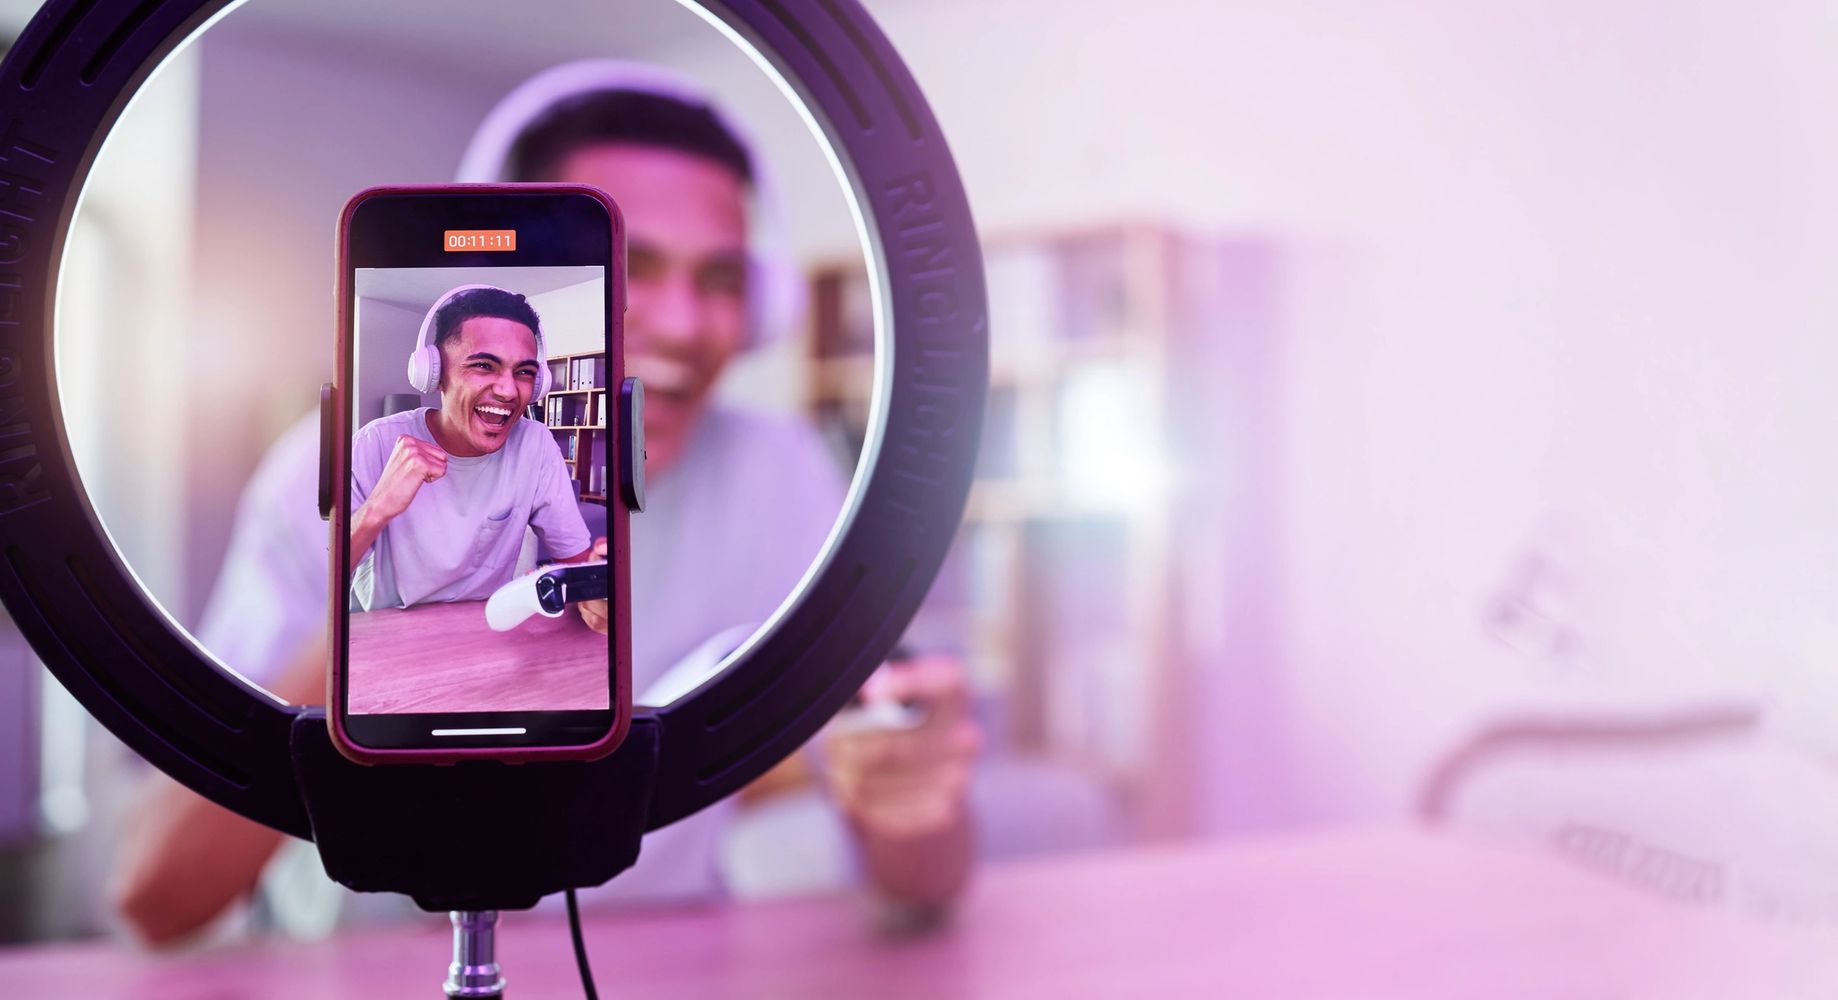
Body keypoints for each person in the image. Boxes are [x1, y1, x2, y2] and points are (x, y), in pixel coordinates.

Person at [111, 61, 977, 944]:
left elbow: (925, 879)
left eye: (719, 279)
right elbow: (156, 900)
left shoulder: (785, 473)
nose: (683, 323)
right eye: (628, 264)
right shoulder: (326, 474)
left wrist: (913, 796)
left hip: (669, 965)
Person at [347, 285, 600, 616]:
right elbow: (319, 578)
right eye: (483, 366)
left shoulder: (535, 444)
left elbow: (577, 565)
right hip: (388, 631)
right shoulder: (374, 443)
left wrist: (597, 586)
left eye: (524, 372)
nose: (509, 391)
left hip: (486, 629)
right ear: (435, 374)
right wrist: (378, 508)